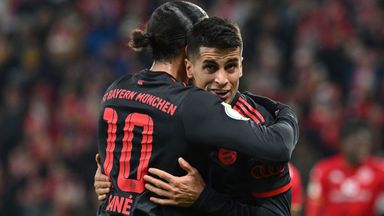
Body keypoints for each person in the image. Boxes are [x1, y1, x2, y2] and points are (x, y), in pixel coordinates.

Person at [96, 1, 299, 214]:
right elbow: (278, 146)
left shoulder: (115, 91)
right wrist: (286, 112)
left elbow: (119, 165)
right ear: (190, 53)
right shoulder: (192, 103)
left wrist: (108, 176)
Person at [306, 118, 384, 216]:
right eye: (358, 144)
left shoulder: (379, 170)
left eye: (366, 143)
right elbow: (314, 209)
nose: (363, 148)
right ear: (343, 143)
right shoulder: (323, 170)